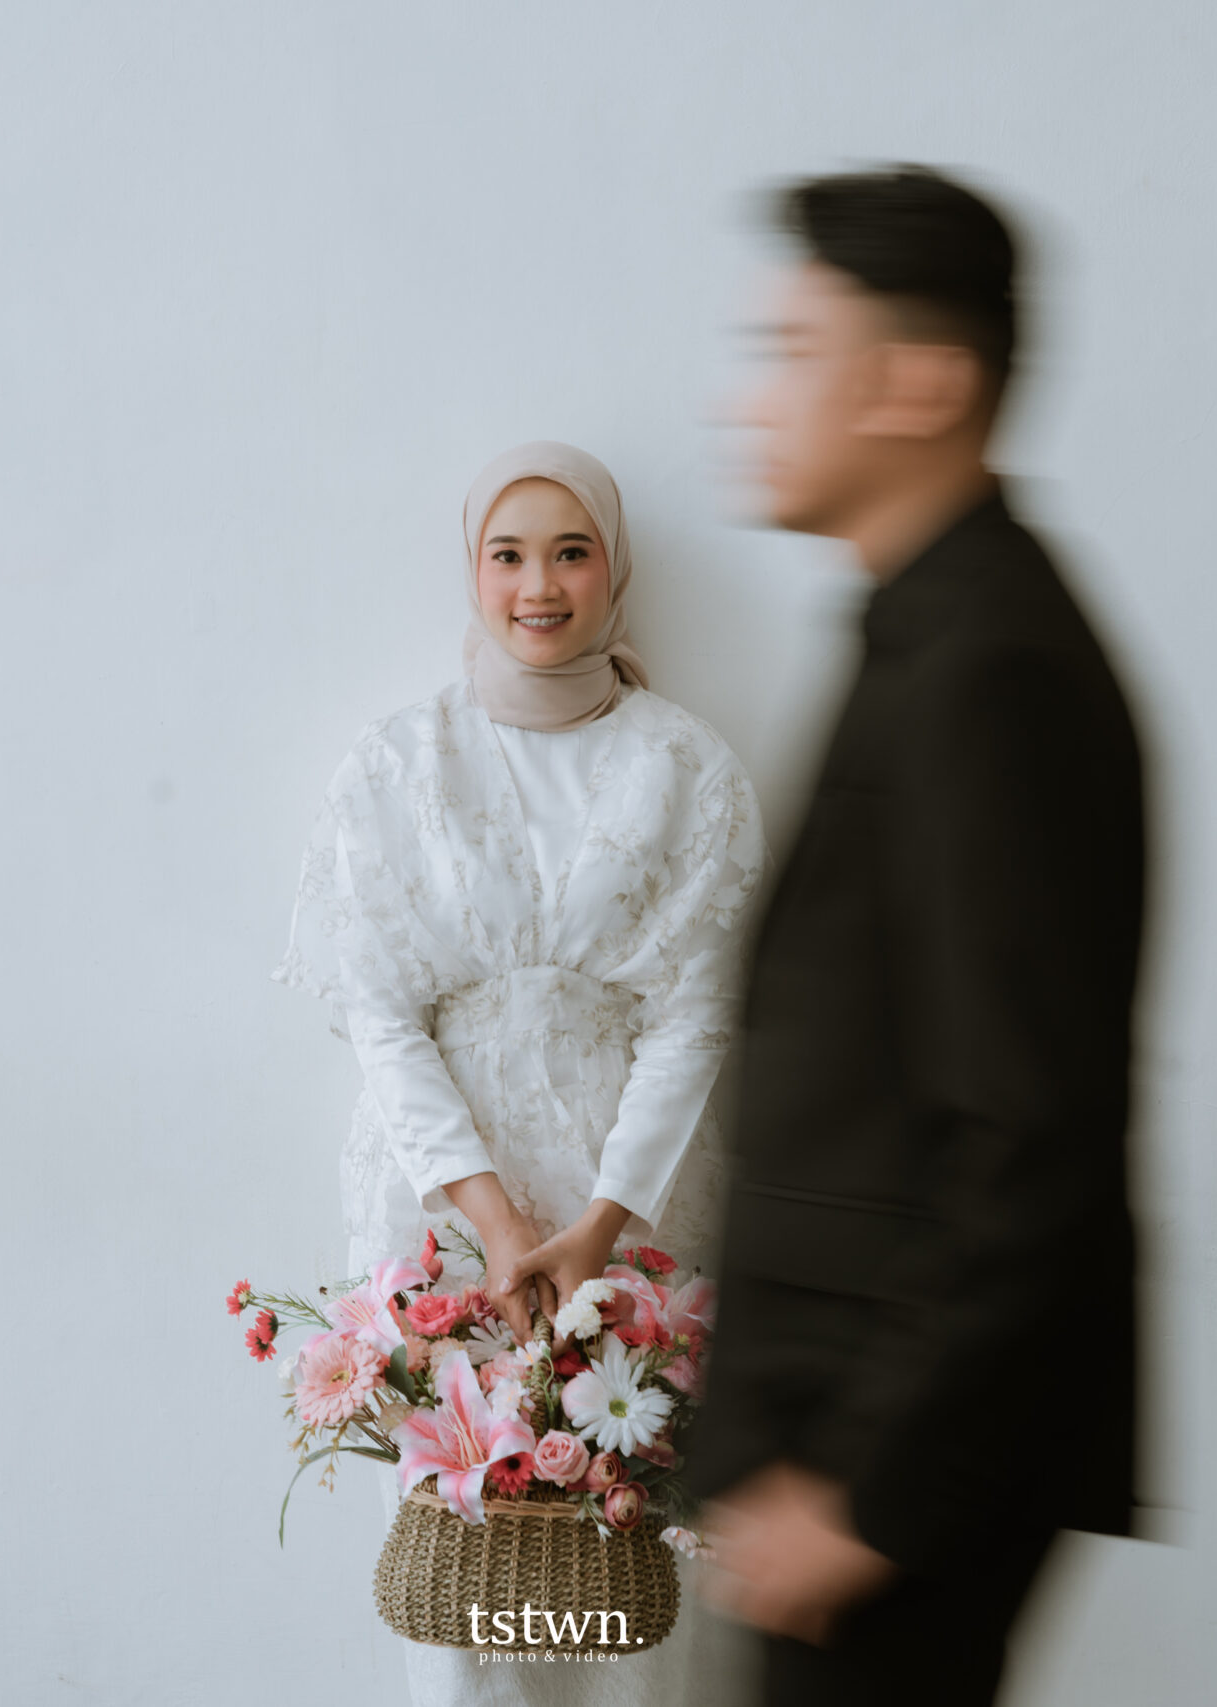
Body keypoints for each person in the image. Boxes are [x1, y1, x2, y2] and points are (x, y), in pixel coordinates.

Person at [687, 168, 1149, 1704]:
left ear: (924, 383)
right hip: (836, 1457)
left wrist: (870, 1491)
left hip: (884, 1480)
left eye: (793, 351)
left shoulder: (989, 668)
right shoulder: (934, 629)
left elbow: (1029, 1130)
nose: (750, 397)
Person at [275, 441, 766, 1706]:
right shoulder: (399, 764)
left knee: (627, 1540)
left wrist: (600, 1227)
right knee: (462, 1552)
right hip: (442, 1204)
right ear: (472, 570)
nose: (537, 586)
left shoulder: (685, 767)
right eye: (507, 555)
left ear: (614, 570)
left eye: (570, 552)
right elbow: (381, 1017)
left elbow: (694, 1022)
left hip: (634, 1193)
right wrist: (493, 1221)